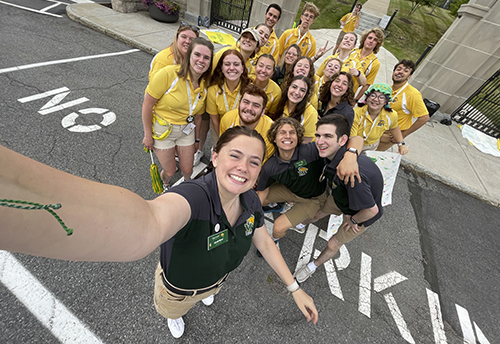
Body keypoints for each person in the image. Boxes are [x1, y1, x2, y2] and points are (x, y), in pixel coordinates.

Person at [0, 127, 318, 339]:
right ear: (216, 156)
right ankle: (173, 315)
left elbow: (261, 235)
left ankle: (209, 292)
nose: (243, 167)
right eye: (234, 155)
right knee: (173, 308)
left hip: (217, 278)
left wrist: (294, 287)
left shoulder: (250, 199)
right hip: (178, 289)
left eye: (253, 161)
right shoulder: (194, 196)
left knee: (211, 290)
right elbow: (150, 221)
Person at [294, 114, 384, 283]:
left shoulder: (352, 175)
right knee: (320, 212)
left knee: (333, 244)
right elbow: (357, 138)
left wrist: (354, 220)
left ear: (342, 140)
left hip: (361, 213)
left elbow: (372, 210)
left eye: (328, 136)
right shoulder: (336, 155)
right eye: (318, 135)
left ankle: (312, 266)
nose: (320, 141)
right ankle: (300, 224)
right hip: (341, 196)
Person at [142, 37, 213, 191]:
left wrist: (197, 140)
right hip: (163, 131)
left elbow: (199, 116)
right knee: (170, 170)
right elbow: (147, 104)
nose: (201, 60)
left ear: (209, 63)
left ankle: (188, 188)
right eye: (197, 55)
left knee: (188, 170)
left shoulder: (204, 86)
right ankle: (166, 183)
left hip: (186, 131)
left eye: (206, 57)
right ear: (189, 56)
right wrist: (148, 135)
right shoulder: (168, 74)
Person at [257, 118, 327, 241]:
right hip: (292, 191)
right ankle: (277, 205)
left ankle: (274, 241)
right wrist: (253, 215)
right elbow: (262, 190)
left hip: (312, 199)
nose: (287, 136)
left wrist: (350, 156)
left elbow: (336, 146)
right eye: (282, 132)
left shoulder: (311, 151)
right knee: (260, 201)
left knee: (278, 228)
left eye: (292, 132)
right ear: (274, 138)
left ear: (298, 137)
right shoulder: (270, 167)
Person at [377, 59, 429, 151]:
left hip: (390, 133)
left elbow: (424, 117)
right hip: (377, 126)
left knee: (368, 156)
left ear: (409, 76)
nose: (400, 72)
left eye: (405, 71)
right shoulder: (389, 88)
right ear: (393, 72)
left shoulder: (412, 94)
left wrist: (402, 135)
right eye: (398, 69)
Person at [207, 49, 251, 146]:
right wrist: (223, 139)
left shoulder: (250, 90)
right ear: (221, 68)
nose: (231, 68)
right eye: (227, 64)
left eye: (236, 64)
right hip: (219, 128)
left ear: (242, 68)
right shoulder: (212, 91)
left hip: (243, 130)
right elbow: (214, 120)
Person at [219, 84, 275, 162]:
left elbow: (257, 163)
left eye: (256, 105)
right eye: (246, 102)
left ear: (263, 111)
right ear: (239, 104)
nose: (249, 108)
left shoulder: (270, 131)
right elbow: (223, 149)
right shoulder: (227, 118)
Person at [352, 84, 408, 154]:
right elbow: (352, 137)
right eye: (373, 95)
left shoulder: (391, 115)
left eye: (381, 97)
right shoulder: (357, 112)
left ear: (386, 101)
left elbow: (394, 127)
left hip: (372, 145)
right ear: (367, 98)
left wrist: (401, 144)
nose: (375, 99)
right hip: (354, 142)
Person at [272, 75, 318, 143]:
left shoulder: (311, 113)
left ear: (306, 94)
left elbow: (306, 143)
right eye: (294, 87)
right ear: (288, 87)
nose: (296, 92)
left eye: (302, 90)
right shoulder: (280, 101)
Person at [350, 28, 384, 100]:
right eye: (370, 38)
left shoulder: (375, 62)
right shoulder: (353, 51)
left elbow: (366, 85)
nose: (371, 41)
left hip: (349, 94)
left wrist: (355, 100)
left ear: (377, 44)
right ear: (365, 39)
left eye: (375, 40)